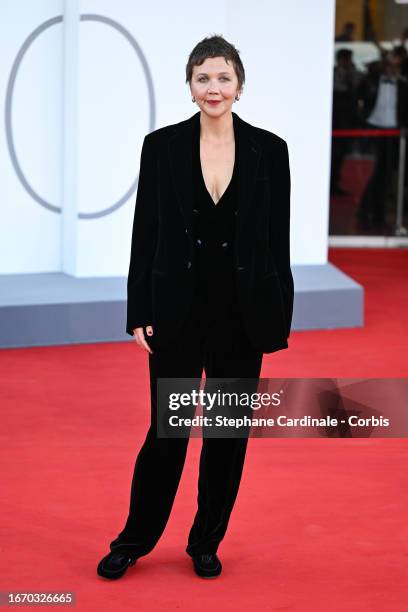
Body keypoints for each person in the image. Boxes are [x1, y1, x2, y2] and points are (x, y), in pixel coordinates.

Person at [97, 34, 294, 581]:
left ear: (240, 86)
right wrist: (138, 309)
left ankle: (205, 542)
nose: (214, 87)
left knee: (227, 437)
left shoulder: (270, 150)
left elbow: (278, 241)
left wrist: (278, 316)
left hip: (241, 316)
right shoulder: (160, 147)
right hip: (177, 312)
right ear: (189, 86)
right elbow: (146, 233)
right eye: (203, 78)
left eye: (223, 77)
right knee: (168, 432)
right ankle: (133, 540)